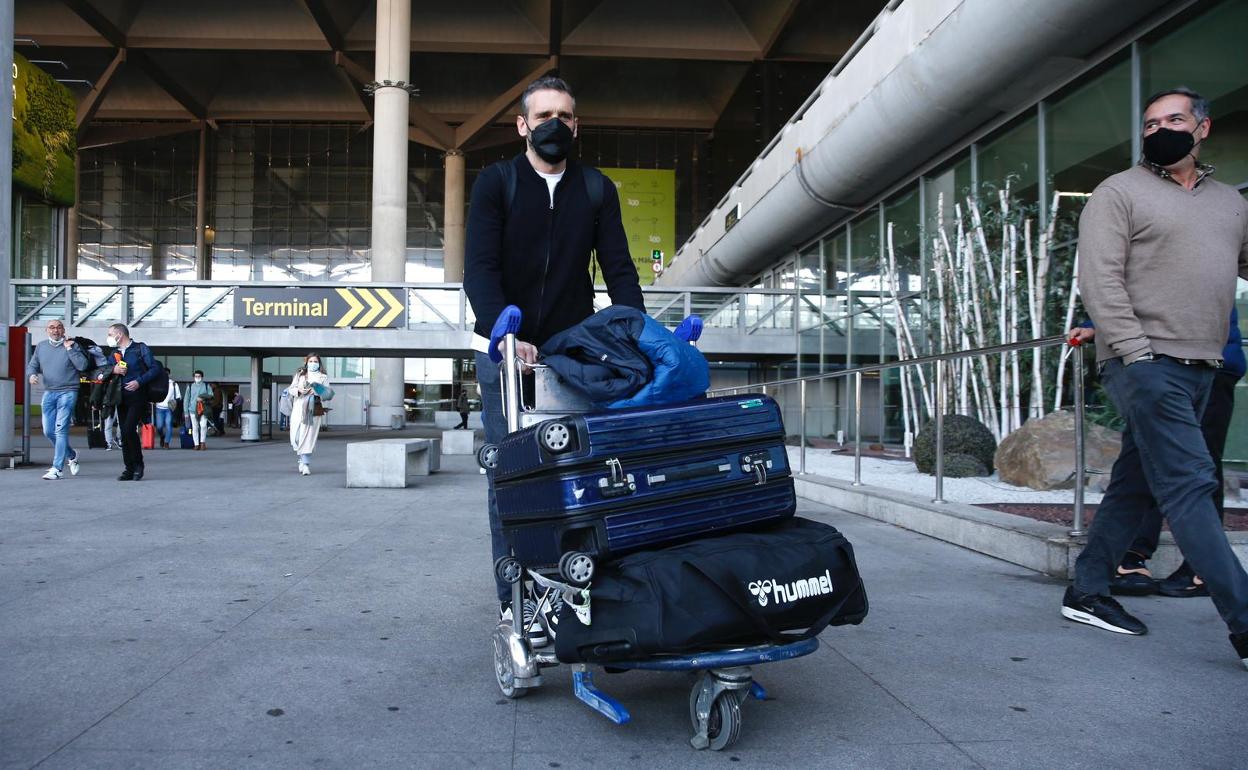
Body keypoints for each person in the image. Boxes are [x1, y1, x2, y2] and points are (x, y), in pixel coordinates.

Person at [1061, 87, 1248, 671]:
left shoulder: (1229, 203)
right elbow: (1100, 280)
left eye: (1173, 119)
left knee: (1137, 482)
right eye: (1149, 123)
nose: (1160, 129)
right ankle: (1245, 622)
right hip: (1145, 363)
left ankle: (1087, 589)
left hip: (1205, 363)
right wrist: (1136, 354)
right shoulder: (1119, 193)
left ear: (1203, 128)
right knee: (1192, 483)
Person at [464, 76, 645, 638]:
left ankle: (583, 588)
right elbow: (480, 271)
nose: (554, 125)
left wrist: (640, 336)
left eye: (565, 116)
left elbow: (620, 272)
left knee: (585, 475)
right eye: (543, 115)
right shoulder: (496, 184)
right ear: (522, 125)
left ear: (576, 126)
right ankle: (516, 603)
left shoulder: (595, 190)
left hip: (570, 353)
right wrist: (502, 333)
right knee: (512, 478)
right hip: (502, 352)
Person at [1072, 310, 1244, 598]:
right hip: (1164, 358)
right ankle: (1122, 562)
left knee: (1194, 467)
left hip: (1198, 357)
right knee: (1148, 461)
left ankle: (1199, 570)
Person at [25, 320, 88, 480]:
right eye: (52, 327)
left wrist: (70, 349)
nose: (56, 330)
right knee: (48, 431)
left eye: (59, 327)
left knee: (60, 430)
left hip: (68, 392)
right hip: (49, 392)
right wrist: (31, 375)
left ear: (63, 330)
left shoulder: (72, 345)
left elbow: (82, 366)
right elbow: (32, 365)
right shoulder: (41, 346)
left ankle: (57, 468)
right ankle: (72, 455)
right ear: (47, 330)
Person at [105, 323, 162, 481]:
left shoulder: (140, 348)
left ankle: (138, 465)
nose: (108, 337)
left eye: (110, 334)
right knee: (124, 432)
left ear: (119, 334)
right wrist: (113, 370)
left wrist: (139, 381)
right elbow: (106, 371)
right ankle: (129, 468)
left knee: (129, 429)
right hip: (120, 396)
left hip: (137, 395)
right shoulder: (114, 353)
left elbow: (154, 368)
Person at [289, 353, 329, 476]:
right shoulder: (300, 374)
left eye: (315, 361)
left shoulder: (323, 377)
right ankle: (301, 458)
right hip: (299, 408)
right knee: (296, 437)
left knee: (308, 437)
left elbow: (327, 394)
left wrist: (316, 390)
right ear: (306, 362)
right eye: (310, 361)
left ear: (319, 363)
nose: (313, 363)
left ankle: (306, 464)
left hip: (313, 409)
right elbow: (291, 389)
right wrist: (299, 390)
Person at [184, 371, 213, 450]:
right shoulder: (190, 386)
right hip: (192, 410)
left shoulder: (206, 386)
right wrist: (186, 412)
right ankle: (196, 444)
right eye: (196, 376)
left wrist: (202, 397)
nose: (197, 377)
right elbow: (186, 399)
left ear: (202, 377)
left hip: (203, 409)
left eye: (199, 376)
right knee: (195, 427)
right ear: (194, 377)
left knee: (203, 426)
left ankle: (202, 442)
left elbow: (211, 395)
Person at [153, 372, 181, 449]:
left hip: (169, 409)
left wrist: (174, 404)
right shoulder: (158, 383)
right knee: (159, 426)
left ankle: (166, 442)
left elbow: (178, 397)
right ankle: (162, 436)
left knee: (169, 426)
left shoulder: (174, 384)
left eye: (167, 374)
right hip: (159, 408)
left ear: (169, 375)